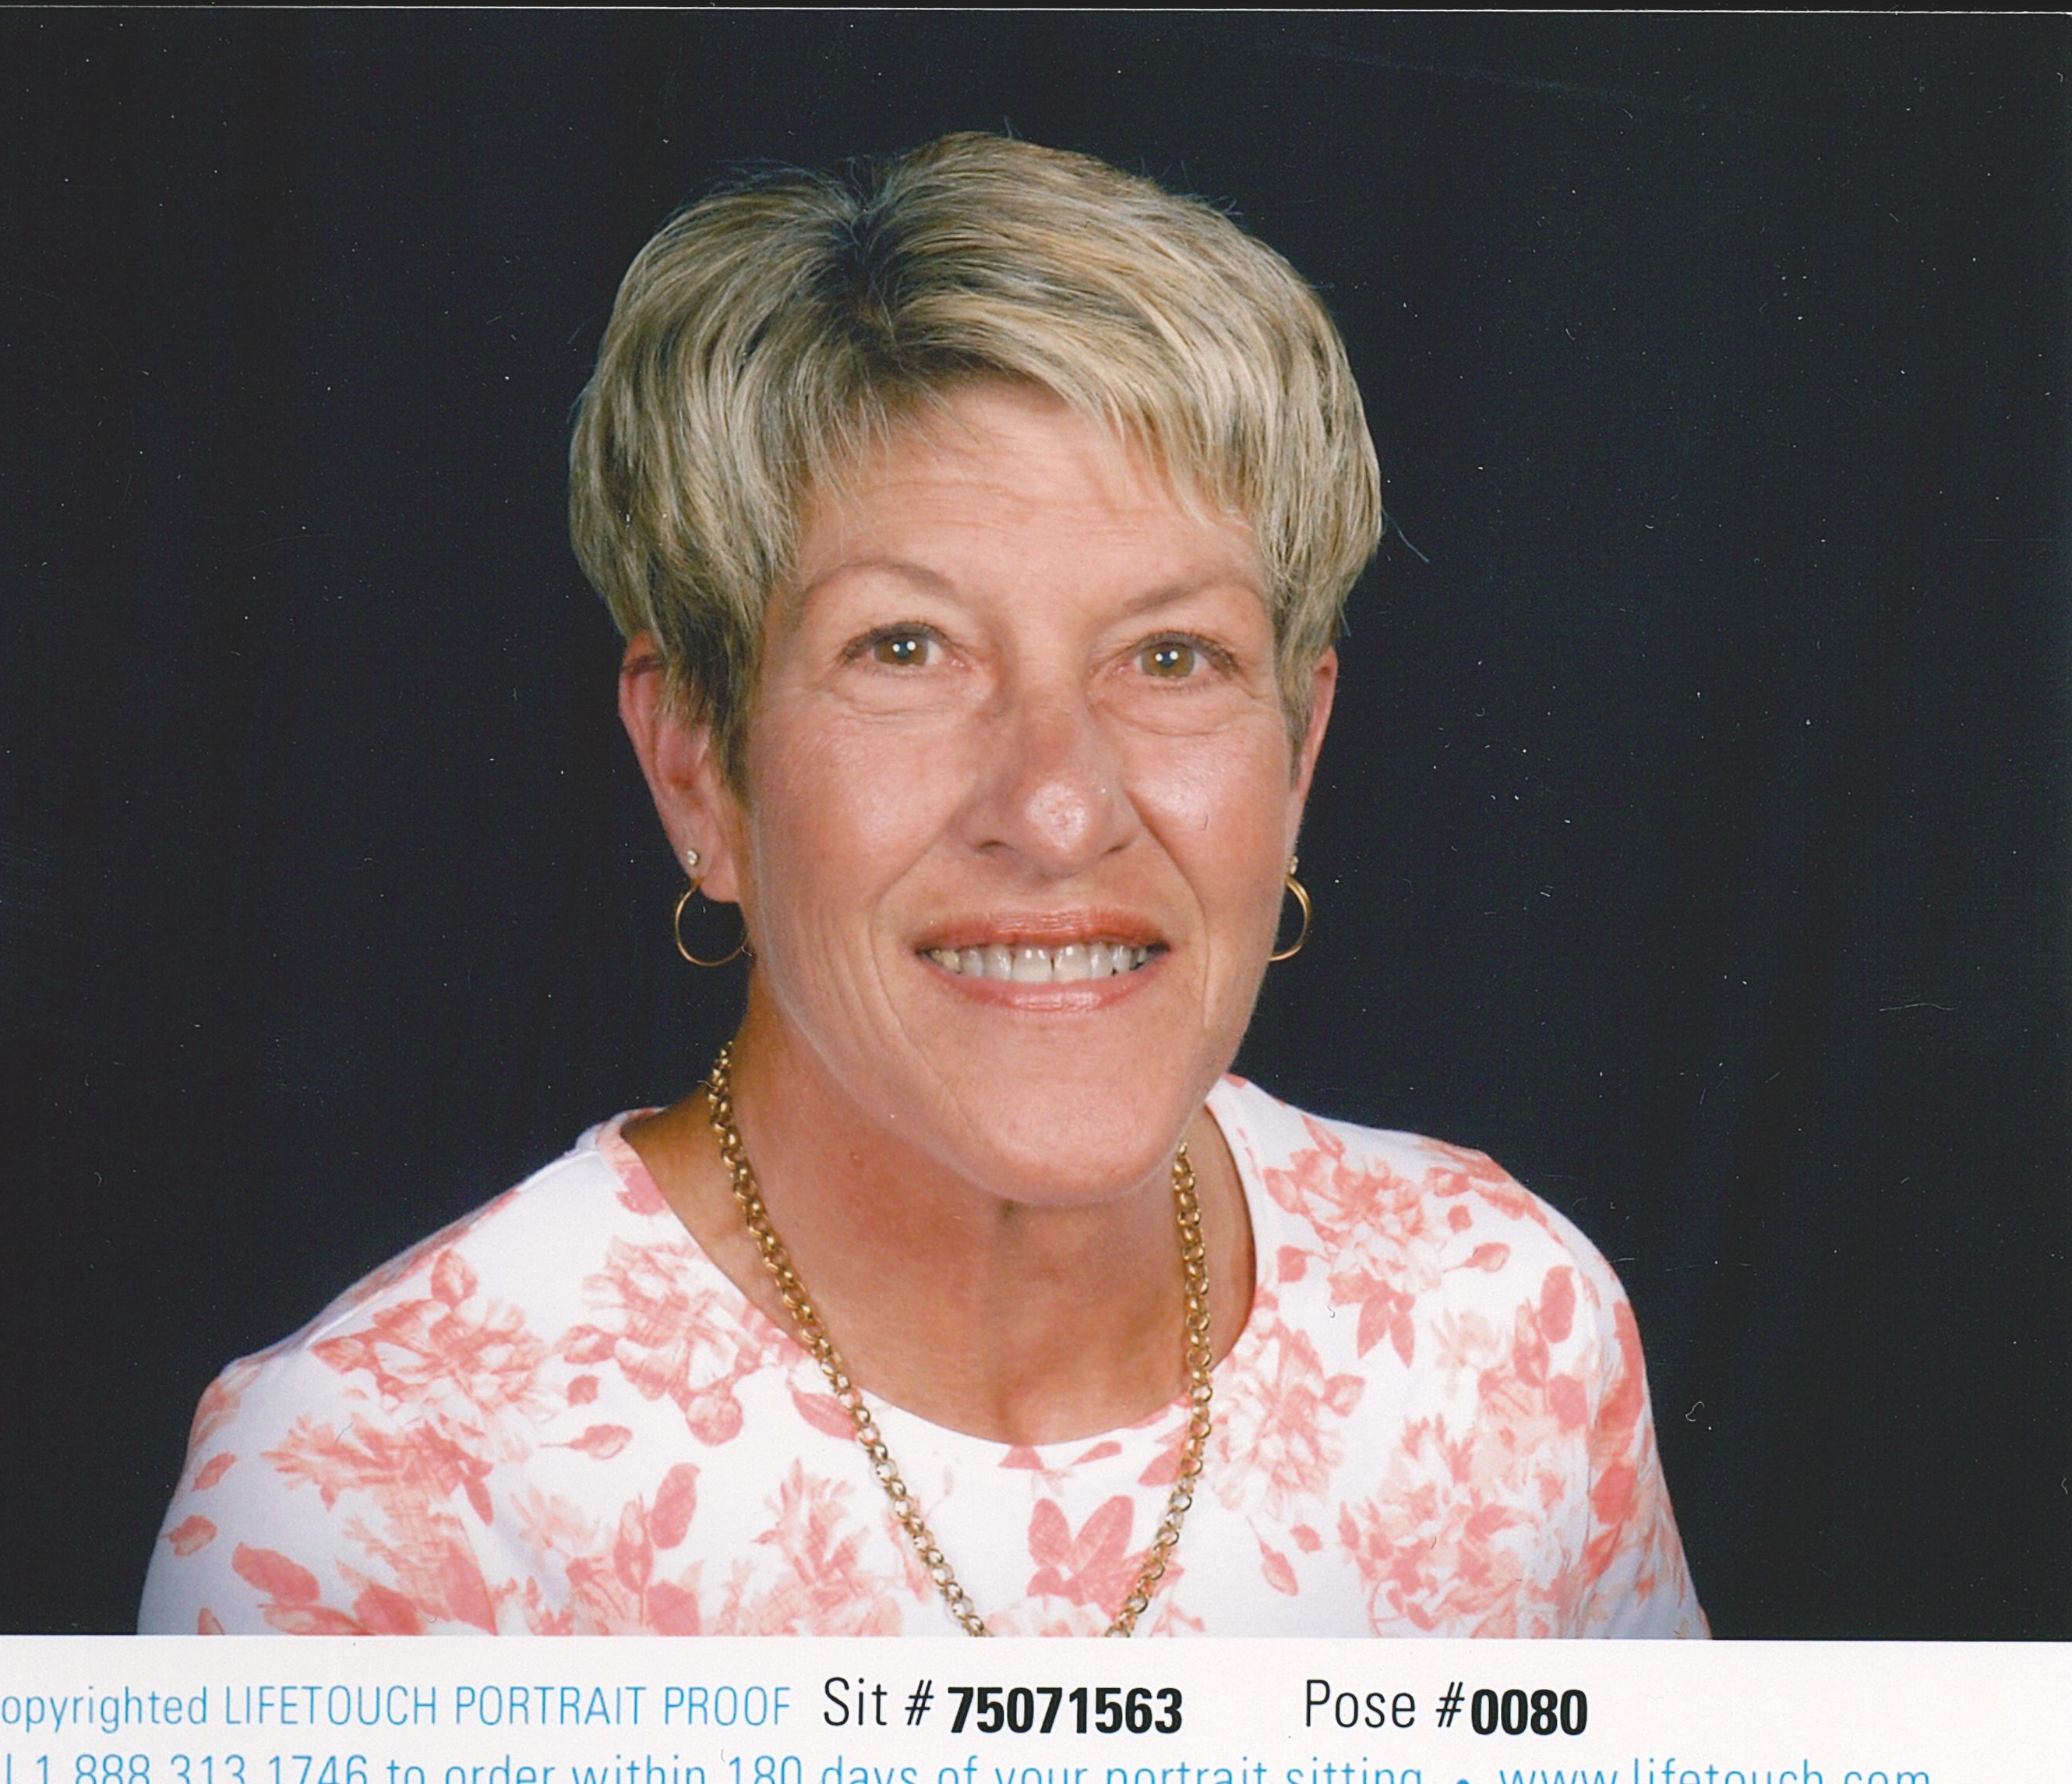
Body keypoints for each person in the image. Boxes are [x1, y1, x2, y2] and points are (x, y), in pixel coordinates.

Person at [139, 133, 1704, 1638]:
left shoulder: (1508, 1331)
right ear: (697, 763)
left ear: (1298, 752)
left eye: (1173, 656)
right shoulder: (371, 1507)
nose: (1059, 807)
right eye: (907, 649)